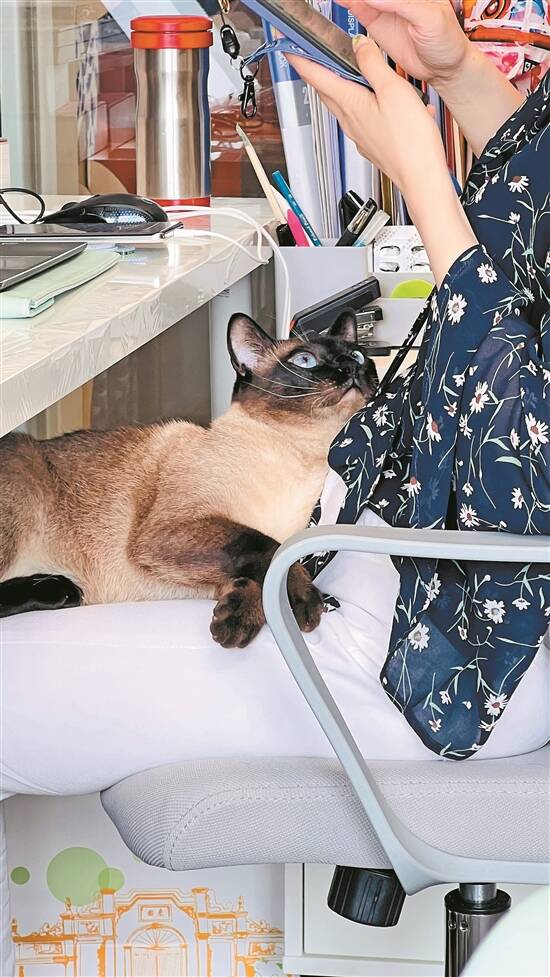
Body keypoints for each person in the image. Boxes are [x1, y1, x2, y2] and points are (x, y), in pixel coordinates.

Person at [1, 7, 549, 969]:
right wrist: (457, 70)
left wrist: (420, 173)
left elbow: (523, 433)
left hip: (457, 643)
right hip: (392, 559)